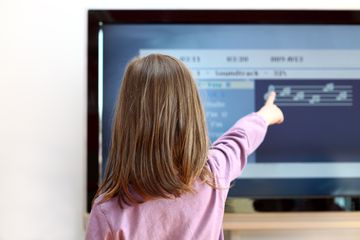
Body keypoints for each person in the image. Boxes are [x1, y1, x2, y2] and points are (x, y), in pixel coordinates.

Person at [85, 54, 284, 240]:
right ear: (192, 116)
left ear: (125, 122)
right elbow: (240, 138)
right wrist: (266, 115)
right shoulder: (213, 173)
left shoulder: (108, 210)